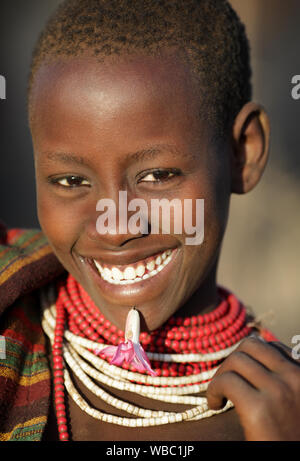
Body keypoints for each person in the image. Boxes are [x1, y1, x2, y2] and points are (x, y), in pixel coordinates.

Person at [0, 0, 300, 442]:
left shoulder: (280, 413)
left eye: (158, 176)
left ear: (243, 152)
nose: (116, 227)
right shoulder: (12, 327)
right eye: (70, 180)